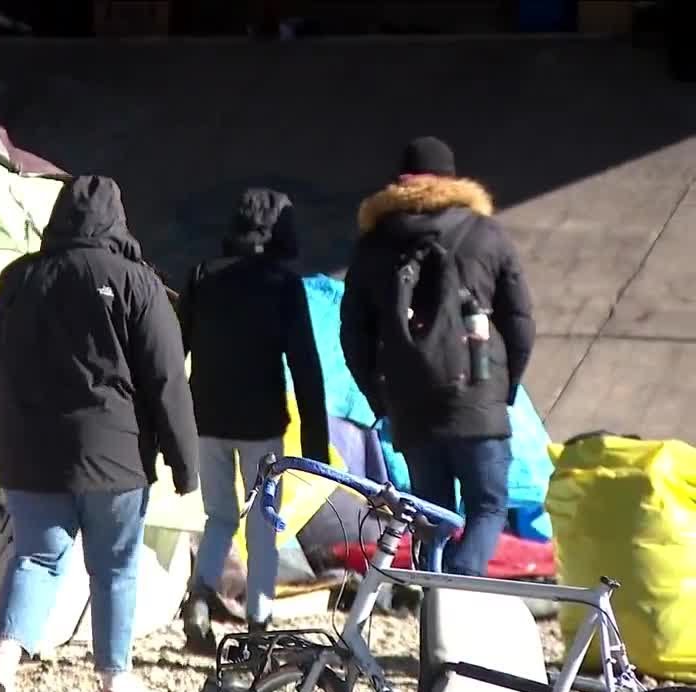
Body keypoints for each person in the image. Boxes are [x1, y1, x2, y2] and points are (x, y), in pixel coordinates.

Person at [0, 175, 200, 692]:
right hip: (116, 459)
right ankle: (115, 686)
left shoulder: (17, 280)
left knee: (36, 560)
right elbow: (167, 379)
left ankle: (3, 664)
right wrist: (185, 465)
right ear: (117, 219)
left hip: (31, 457)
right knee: (114, 569)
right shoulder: (138, 282)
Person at [339, 136, 535, 577]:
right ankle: (461, 587)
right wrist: (506, 387)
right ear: (452, 179)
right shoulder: (487, 235)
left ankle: (435, 607)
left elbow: (353, 335)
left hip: (410, 401)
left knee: (432, 513)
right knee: (487, 504)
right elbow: (520, 322)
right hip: (478, 391)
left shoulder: (373, 245)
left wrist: (379, 397)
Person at [174, 188, 330, 651]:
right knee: (264, 525)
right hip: (261, 425)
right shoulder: (283, 285)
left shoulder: (201, 276)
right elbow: (306, 366)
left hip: (207, 419)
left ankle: (200, 597)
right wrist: (317, 447)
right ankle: (258, 624)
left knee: (219, 517)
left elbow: (175, 351)